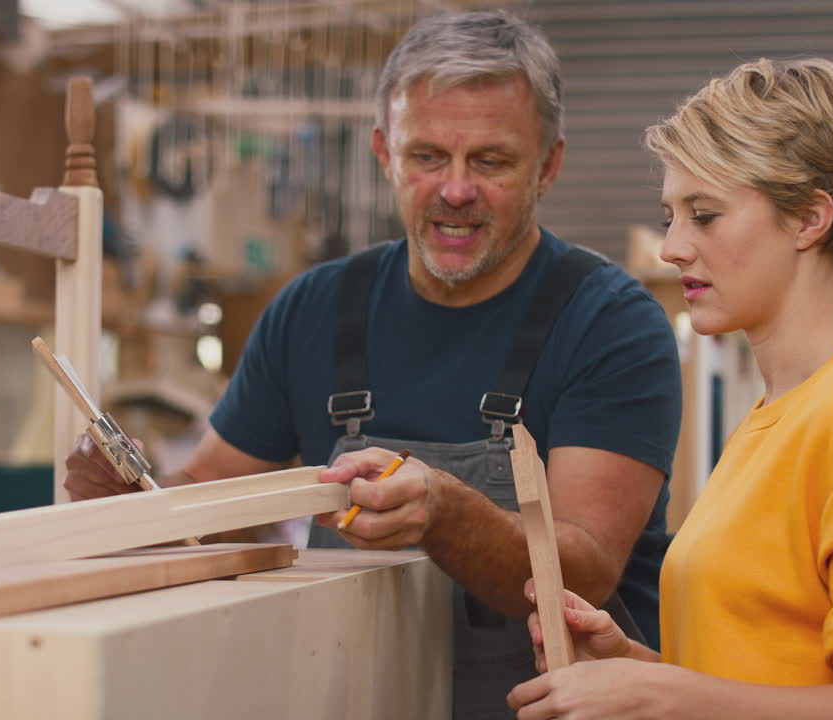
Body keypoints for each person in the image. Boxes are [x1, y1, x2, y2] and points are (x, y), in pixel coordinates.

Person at [65, 10, 682, 718]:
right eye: (427, 157)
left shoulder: (609, 324)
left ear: (548, 166)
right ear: (384, 154)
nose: (455, 189)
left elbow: (588, 570)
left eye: (490, 160)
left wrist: (447, 512)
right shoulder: (313, 310)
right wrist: (133, 505)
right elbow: (213, 501)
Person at [507, 57, 833, 720]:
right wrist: (632, 668)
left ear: (809, 219)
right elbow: (762, 674)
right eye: (670, 214)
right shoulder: (777, 416)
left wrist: (666, 696)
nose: (672, 247)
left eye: (704, 215)